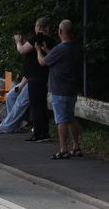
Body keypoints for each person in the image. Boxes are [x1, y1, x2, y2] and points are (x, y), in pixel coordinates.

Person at [38, 19, 83, 159]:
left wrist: (39, 51)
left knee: (61, 120)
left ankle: (63, 149)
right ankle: (76, 147)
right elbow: (57, 56)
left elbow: (43, 62)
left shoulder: (60, 49)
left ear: (61, 31)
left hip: (59, 90)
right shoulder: (75, 47)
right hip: (72, 89)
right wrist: (46, 50)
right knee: (71, 118)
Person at [15, 17, 56, 141]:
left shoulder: (36, 40)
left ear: (38, 27)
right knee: (41, 105)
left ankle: (38, 133)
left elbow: (22, 50)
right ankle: (44, 132)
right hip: (43, 76)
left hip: (34, 76)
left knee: (36, 106)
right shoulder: (50, 40)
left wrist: (18, 41)